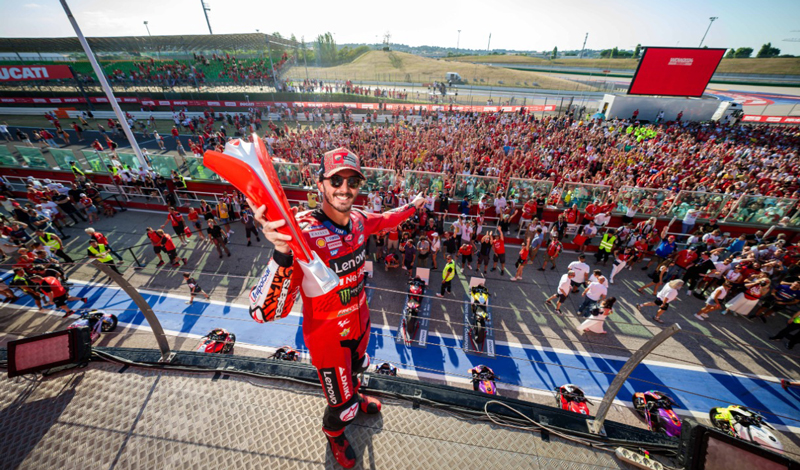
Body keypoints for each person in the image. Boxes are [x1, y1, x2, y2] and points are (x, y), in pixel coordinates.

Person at [249, 147, 424, 468]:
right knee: (338, 403)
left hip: (361, 323)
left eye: (352, 181)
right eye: (336, 180)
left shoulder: (358, 220)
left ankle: (354, 398)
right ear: (320, 184)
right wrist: (281, 252)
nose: (345, 189)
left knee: (357, 372)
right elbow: (263, 312)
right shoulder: (298, 232)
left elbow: (386, 219)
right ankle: (335, 433)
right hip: (327, 338)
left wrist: (412, 207)